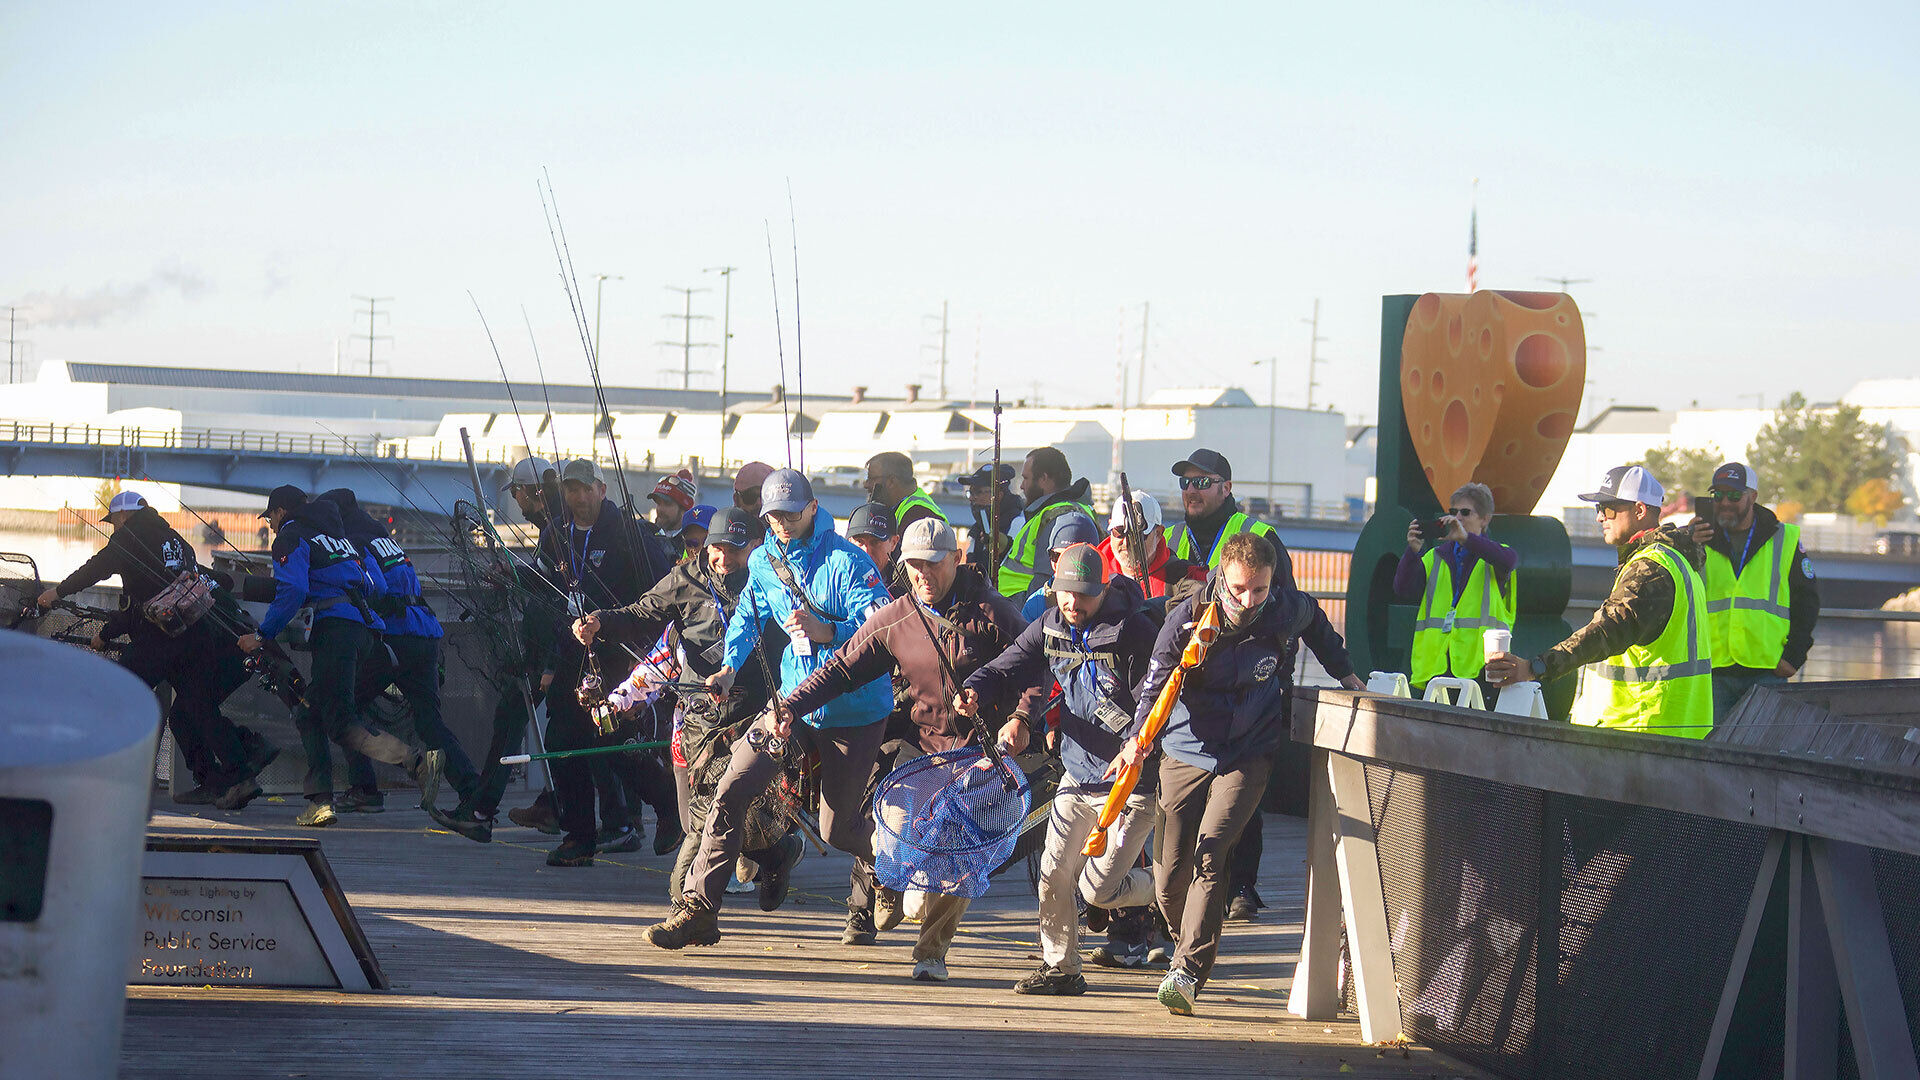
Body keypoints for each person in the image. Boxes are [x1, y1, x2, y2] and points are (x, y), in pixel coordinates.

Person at [1114, 531, 1364, 1015]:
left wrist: (1346, 674)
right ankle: (1186, 933)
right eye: (1239, 589)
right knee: (1169, 878)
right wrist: (1135, 741)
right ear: (1221, 580)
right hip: (1187, 746)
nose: (1248, 601)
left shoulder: (1282, 608)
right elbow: (1157, 680)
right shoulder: (1186, 618)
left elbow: (1317, 623)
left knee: (1213, 851)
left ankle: (1186, 972)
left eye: (1259, 589)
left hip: (1250, 749)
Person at [645, 468, 892, 950]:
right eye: (772, 515)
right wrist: (729, 667)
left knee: (837, 827)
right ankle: (698, 910)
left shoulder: (847, 561)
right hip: (794, 700)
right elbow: (748, 616)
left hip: (853, 709)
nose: (780, 524)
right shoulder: (762, 561)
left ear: (813, 509)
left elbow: (879, 625)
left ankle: (896, 867)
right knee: (732, 786)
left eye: (789, 513)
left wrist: (828, 631)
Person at [781, 517, 1027, 981]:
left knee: (958, 852)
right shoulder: (896, 617)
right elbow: (840, 670)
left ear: (956, 558)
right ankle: (891, 880)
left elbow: (1036, 663)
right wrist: (790, 706)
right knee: (891, 855)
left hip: (980, 752)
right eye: (914, 565)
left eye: (933, 564)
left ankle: (931, 953)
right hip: (919, 749)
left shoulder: (991, 610)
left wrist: (1020, 718)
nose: (923, 575)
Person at [568, 507, 799, 903]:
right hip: (696, 717)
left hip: (752, 714)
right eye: (714, 549)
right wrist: (600, 622)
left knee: (722, 809)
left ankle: (693, 902)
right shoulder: (686, 580)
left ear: (756, 546)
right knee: (699, 816)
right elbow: (643, 621)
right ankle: (777, 854)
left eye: (734, 550)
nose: (723, 559)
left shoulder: (773, 579)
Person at [959, 543, 1161, 994]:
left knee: (1097, 890)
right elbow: (1005, 664)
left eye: (1084, 594)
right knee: (1053, 872)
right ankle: (1062, 968)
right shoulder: (1052, 627)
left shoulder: (1134, 633)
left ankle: (1167, 886)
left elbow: (1158, 699)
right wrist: (973, 688)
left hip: (1131, 785)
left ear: (1103, 590)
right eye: (1066, 592)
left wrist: (1136, 742)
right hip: (1077, 775)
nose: (1073, 603)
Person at [37, 490, 273, 808]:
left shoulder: (128, 538)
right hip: (196, 632)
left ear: (123, 516)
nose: (113, 528)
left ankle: (89, 777)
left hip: (159, 636)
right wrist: (110, 631)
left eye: (113, 521)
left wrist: (58, 591)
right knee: (198, 707)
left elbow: (96, 568)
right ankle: (235, 777)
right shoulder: (175, 540)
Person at [235, 485, 444, 828]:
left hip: (337, 634)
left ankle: (414, 763)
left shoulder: (291, 536)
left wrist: (261, 635)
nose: (270, 524)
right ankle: (322, 802)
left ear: (282, 511)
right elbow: (374, 584)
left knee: (339, 720)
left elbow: (294, 589)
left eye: (270, 516)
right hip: (365, 632)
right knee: (313, 713)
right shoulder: (339, 538)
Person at [1485, 465, 1712, 738]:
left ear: (1639, 511)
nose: (1600, 517)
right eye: (1598, 509)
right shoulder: (1674, 560)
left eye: (1608, 508)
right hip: (1660, 729)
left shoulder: (1650, 568)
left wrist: (1535, 667)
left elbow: (1605, 632)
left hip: (1639, 730)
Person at [536, 458, 676, 866]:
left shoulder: (628, 532)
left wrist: (619, 624)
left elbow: (663, 588)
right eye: (571, 489)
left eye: (585, 488)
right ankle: (577, 837)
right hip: (574, 654)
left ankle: (668, 806)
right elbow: (545, 587)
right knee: (561, 741)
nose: (578, 497)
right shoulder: (555, 535)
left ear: (602, 490)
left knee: (612, 741)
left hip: (618, 652)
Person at [1688, 462, 1819, 721]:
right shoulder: (1698, 538)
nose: (1725, 502)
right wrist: (1686, 545)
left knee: (1763, 750)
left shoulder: (1783, 537)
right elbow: (1680, 592)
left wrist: (1794, 656)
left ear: (1753, 496)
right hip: (1712, 670)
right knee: (1711, 752)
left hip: (1767, 670)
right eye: (1718, 495)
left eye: (1734, 495)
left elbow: (1807, 601)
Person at [1394, 481, 1518, 697]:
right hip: (1438, 666)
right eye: (1453, 512)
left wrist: (1467, 539)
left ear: (1484, 519)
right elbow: (1402, 589)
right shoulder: (1434, 557)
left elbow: (1507, 560)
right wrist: (1412, 551)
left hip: (1481, 666)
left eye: (1465, 512)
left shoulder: (1497, 556)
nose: (1457, 518)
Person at [1166, 449, 1292, 586]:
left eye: (1201, 482)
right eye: (1185, 482)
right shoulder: (1167, 539)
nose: (1190, 490)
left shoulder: (1260, 536)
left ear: (1226, 488)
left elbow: (1288, 601)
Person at [997, 447, 1096, 601]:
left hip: (1022, 608)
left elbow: (1045, 583)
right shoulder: (1075, 510)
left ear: (1043, 479)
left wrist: (1026, 616)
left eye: (1026, 478)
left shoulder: (1057, 517)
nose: (1022, 486)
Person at [1098, 488, 1206, 602]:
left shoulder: (1188, 579)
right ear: (1110, 527)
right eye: (1119, 531)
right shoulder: (1089, 572)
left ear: (1158, 533)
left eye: (1136, 535)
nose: (1126, 542)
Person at [1020, 512, 1100, 622]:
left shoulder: (1112, 600)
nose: (1062, 564)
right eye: (1056, 556)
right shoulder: (1036, 604)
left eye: (1071, 557)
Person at [961, 463, 1019, 580]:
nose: (972, 498)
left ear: (998, 495)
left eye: (978, 492)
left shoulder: (1018, 523)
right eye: (970, 492)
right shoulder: (977, 531)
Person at [863, 451, 948, 530]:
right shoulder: (903, 507)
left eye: (871, 479)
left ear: (892, 481)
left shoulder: (919, 516)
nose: (866, 485)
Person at [846, 502, 905, 597]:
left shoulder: (910, 590)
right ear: (849, 541)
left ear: (893, 542)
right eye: (860, 542)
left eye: (875, 542)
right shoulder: (832, 582)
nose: (866, 552)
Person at [650, 469, 700, 560]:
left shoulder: (693, 544)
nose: (660, 509)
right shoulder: (648, 535)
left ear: (684, 508)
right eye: (658, 503)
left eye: (667, 504)